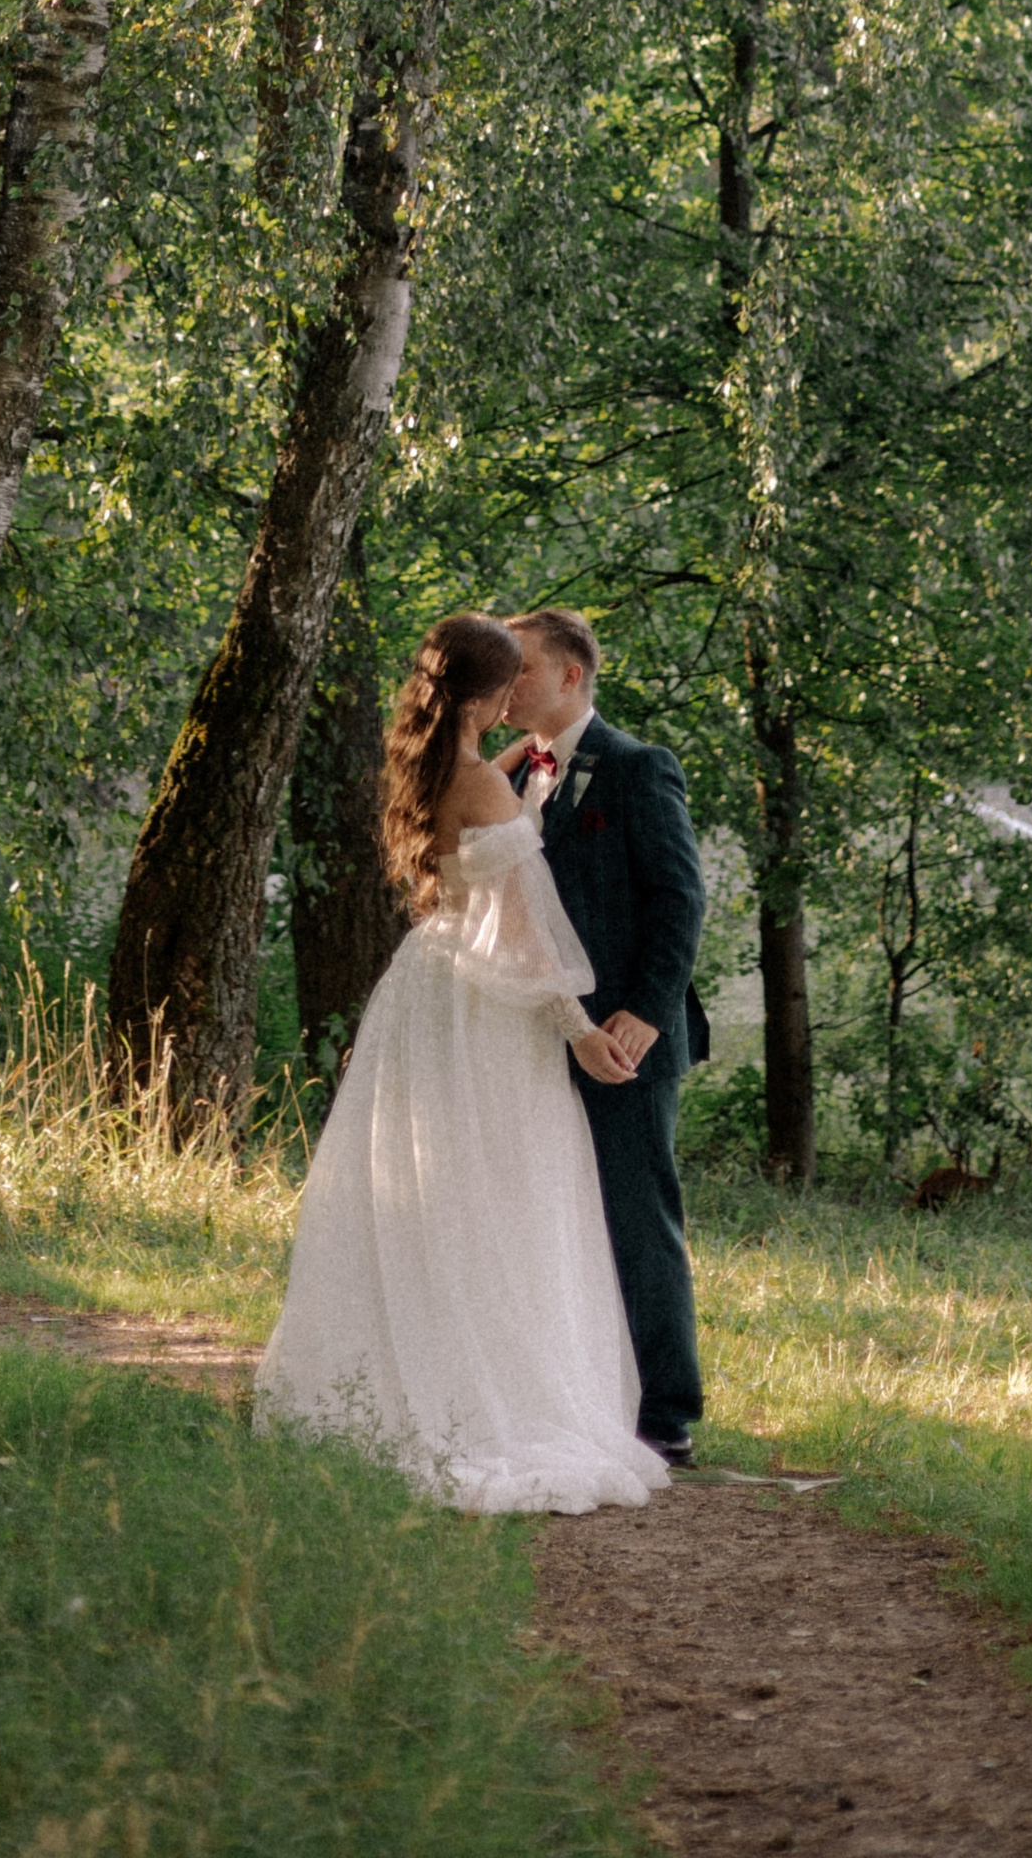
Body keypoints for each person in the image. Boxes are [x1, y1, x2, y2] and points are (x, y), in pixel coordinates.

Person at [251, 611, 669, 1514]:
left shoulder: (429, 764)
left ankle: (405, 1371)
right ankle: (494, 1394)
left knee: (434, 1189)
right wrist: (576, 1028)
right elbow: (522, 931)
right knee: (505, 1194)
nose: (521, 694)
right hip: (485, 1004)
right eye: (511, 681)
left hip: (427, 985)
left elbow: (468, 867)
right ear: (488, 693)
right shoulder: (482, 781)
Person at [497, 607, 708, 1464]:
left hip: (624, 1040)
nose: (508, 684)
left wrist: (649, 1012)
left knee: (635, 1217)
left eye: (521, 668)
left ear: (570, 675)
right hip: (532, 1034)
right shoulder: (512, 773)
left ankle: (665, 1411)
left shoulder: (636, 767)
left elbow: (680, 898)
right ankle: (576, 1391)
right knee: (549, 1216)